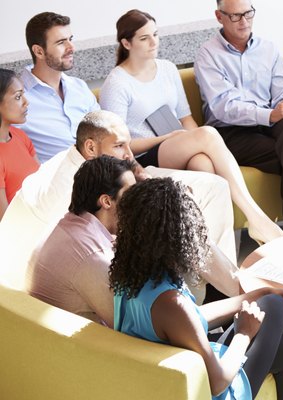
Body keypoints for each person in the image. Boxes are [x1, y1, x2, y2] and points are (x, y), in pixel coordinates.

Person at [110, 177, 283, 400]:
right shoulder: (170, 303)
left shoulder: (131, 278)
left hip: (172, 378)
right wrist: (244, 334)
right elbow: (217, 383)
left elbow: (189, 319)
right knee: (277, 307)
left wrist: (257, 294)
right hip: (209, 391)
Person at [2, 110, 238, 304]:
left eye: (128, 145)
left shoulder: (89, 164)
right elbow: (91, 242)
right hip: (35, 283)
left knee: (213, 186)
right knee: (172, 218)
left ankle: (220, 284)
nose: (128, 154)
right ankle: (220, 290)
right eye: (118, 146)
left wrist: (141, 177)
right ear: (91, 148)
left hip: (84, 260)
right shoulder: (69, 189)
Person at [99, 9, 283, 241]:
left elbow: (186, 118)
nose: (153, 42)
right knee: (207, 134)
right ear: (126, 43)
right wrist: (168, 138)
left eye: (155, 35)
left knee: (204, 163)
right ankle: (256, 218)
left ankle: (206, 245)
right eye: (144, 38)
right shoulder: (117, 83)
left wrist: (194, 141)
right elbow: (117, 146)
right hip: (143, 157)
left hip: (174, 145)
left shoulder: (167, 68)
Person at [194, 0, 283, 232]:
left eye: (248, 14)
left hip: (271, 127)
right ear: (219, 16)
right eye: (235, 16)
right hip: (229, 134)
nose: (244, 21)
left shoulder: (268, 49)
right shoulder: (208, 55)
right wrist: (270, 114)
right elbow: (224, 107)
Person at [27, 156, 137, 327]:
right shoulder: (93, 255)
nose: (137, 202)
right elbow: (130, 325)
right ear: (106, 201)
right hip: (73, 348)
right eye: (131, 195)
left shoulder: (69, 224)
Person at [17, 12, 100, 162]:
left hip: (104, 170)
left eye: (70, 39)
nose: (71, 47)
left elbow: (105, 131)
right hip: (62, 180)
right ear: (39, 51)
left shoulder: (79, 87)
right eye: (61, 42)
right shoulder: (17, 99)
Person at [0, 68, 39, 221]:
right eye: (18, 97)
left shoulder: (19, 136)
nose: (26, 102)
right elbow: (5, 220)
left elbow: (43, 184)